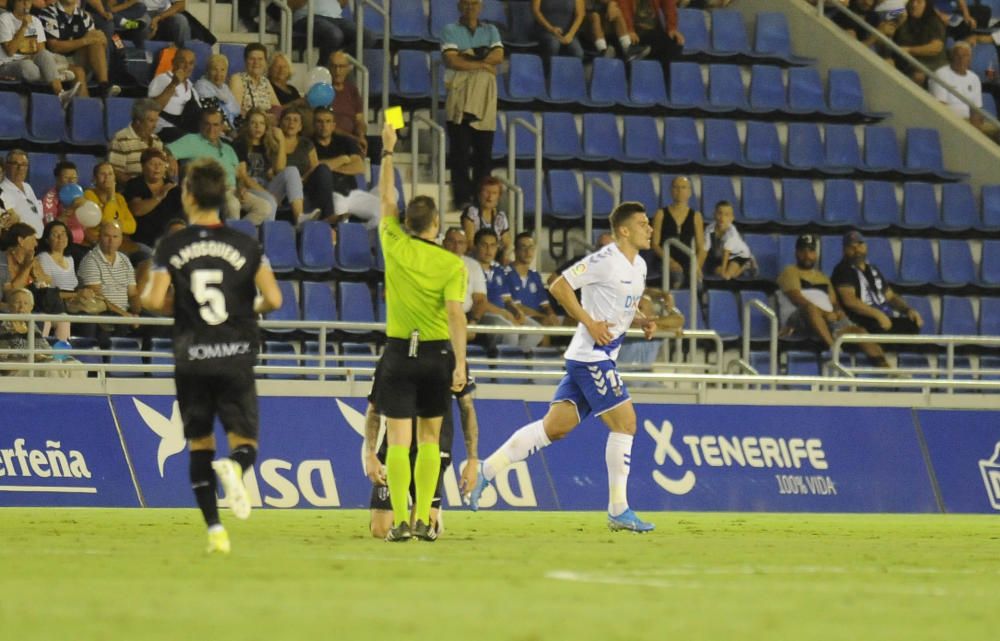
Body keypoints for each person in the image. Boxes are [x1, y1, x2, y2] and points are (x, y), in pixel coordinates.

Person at [468, 201, 659, 533]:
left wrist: (640, 320)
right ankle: (618, 508)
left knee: (554, 428)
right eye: (644, 224)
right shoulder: (604, 260)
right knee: (626, 424)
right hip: (592, 357)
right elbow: (558, 285)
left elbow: (620, 305)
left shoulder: (639, 266)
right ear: (624, 230)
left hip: (595, 356)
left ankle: (488, 468)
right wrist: (588, 322)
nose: (650, 229)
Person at [141, 156, 282, 555]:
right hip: (236, 355)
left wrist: (184, 308)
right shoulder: (247, 245)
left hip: (191, 358)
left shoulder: (171, 245)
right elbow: (273, 298)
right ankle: (236, 468)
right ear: (223, 197)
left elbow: (151, 299)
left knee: (199, 445)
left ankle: (215, 531)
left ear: (187, 196)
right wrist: (241, 308)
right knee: (245, 442)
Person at [375, 121, 468, 542]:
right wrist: (461, 362)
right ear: (435, 225)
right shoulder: (452, 265)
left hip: (397, 353)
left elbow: (384, 200)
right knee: (430, 438)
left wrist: (388, 151)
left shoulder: (394, 242)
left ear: (407, 222)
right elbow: (455, 316)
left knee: (397, 440)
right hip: (435, 356)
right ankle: (425, 520)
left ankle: (398, 521)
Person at [365, 366, 479, 539]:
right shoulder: (394, 354)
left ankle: (432, 514)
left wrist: (472, 460)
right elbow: (374, 408)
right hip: (395, 447)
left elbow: (467, 407)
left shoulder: (448, 355)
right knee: (380, 530)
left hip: (433, 448)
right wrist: (370, 453)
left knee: (419, 530)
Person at [776, 233, 887, 366]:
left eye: (811, 251)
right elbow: (797, 299)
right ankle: (834, 349)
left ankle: (887, 370)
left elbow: (834, 302)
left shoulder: (822, 277)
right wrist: (825, 312)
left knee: (859, 331)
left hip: (825, 320)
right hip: (798, 321)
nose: (807, 255)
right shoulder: (790, 271)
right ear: (796, 253)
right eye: (803, 251)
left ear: (816, 254)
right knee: (810, 308)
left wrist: (838, 312)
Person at [441, 0, 504, 209]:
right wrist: (483, 64)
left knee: (483, 156)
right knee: (459, 155)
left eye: (475, 3)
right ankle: (462, 199)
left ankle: (481, 200)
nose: (471, 7)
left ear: (480, 7)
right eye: (467, 4)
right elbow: (452, 60)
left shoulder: (491, 30)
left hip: (485, 103)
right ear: (460, 6)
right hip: (460, 100)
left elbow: (499, 55)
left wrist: (468, 57)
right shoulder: (450, 30)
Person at [168, 108, 272, 223]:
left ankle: (237, 235)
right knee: (233, 205)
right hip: (210, 190)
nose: (211, 129)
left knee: (264, 207)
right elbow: (165, 150)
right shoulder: (192, 140)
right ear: (200, 124)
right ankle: (230, 237)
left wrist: (241, 188)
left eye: (216, 125)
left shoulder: (228, 148)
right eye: (207, 124)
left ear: (222, 126)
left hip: (233, 190)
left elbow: (238, 176)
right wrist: (171, 158)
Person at [832, 230, 924, 335]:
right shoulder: (843, 270)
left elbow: (890, 297)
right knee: (878, 326)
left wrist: (908, 310)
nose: (857, 249)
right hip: (862, 321)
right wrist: (877, 314)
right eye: (851, 247)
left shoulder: (872, 269)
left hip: (884, 317)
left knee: (912, 324)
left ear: (866, 247)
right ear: (844, 250)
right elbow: (850, 301)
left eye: (860, 245)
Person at [473, 228, 542, 350]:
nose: (489, 250)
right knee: (510, 331)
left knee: (535, 330)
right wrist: (504, 313)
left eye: (493, 245)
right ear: (475, 246)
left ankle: (518, 363)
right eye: (484, 245)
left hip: (503, 314)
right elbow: (478, 302)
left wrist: (515, 311)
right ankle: (503, 366)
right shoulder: (470, 267)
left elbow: (507, 299)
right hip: (483, 315)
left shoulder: (499, 269)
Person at [0, 0, 79, 106]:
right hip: (7, 64)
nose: (26, 4)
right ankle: (56, 75)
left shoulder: (36, 21)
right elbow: (10, 51)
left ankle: (61, 94)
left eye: (28, 2)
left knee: (45, 55)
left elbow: (40, 51)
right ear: (13, 3)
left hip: (31, 60)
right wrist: (23, 27)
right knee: (28, 67)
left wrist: (31, 57)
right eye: (22, 1)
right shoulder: (4, 19)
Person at [37, 0, 120, 98]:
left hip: (78, 58)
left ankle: (104, 85)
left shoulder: (84, 16)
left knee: (96, 37)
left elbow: (96, 42)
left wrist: (101, 40)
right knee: (79, 71)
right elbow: (54, 47)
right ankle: (85, 108)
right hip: (56, 62)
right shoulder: (48, 12)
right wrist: (85, 41)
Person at [233, 107, 302, 225]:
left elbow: (279, 169)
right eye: (253, 123)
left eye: (261, 123)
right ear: (247, 125)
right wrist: (267, 194)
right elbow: (243, 177)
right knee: (270, 201)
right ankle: (267, 236)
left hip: (265, 185)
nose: (257, 126)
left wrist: (281, 141)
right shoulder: (240, 143)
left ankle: (299, 219)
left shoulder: (267, 144)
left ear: (266, 127)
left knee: (292, 170)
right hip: (249, 189)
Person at [930, 41, 1000, 141]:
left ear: (970, 59)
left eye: (965, 56)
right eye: (958, 56)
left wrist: (976, 129)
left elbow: (976, 110)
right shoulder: (941, 74)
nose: (961, 59)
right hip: (953, 121)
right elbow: (940, 109)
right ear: (952, 57)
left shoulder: (974, 78)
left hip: (971, 121)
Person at [278, 106, 336, 224]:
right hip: (285, 188)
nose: (291, 123)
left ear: (300, 126)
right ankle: (324, 222)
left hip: (305, 184)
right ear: (281, 123)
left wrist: (303, 179)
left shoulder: (306, 143)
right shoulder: (274, 141)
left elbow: (315, 168)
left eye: (295, 120)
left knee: (323, 169)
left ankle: (329, 217)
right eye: (287, 119)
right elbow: (276, 170)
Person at [78, 221, 141, 326]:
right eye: (107, 236)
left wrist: (137, 313)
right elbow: (98, 297)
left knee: (157, 323)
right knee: (122, 326)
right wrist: (125, 315)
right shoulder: (91, 260)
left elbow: (133, 293)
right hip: (104, 312)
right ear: (99, 237)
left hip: (124, 312)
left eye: (115, 236)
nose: (111, 241)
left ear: (121, 239)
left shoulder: (125, 259)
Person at [651, 175, 705, 288]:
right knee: (677, 277)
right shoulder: (660, 214)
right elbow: (655, 244)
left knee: (698, 283)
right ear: (671, 191)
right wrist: (670, 261)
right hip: (665, 259)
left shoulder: (696, 216)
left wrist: (697, 265)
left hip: (687, 259)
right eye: (676, 187)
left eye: (683, 187)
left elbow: (701, 247)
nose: (679, 191)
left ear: (689, 192)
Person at [123, 147, 181, 248]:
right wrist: (159, 196)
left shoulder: (172, 188)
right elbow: (137, 210)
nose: (157, 168)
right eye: (152, 164)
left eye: (160, 164)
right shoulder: (135, 184)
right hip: (142, 241)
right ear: (143, 166)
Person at [618, 0, 684, 86]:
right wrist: (629, 29)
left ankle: (665, 87)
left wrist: (672, 28)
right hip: (634, 33)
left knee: (675, 44)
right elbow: (624, 7)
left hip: (653, 32)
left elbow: (669, 4)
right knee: (666, 44)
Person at [508, 232, 561, 329]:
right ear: (515, 251)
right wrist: (543, 317)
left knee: (572, 321)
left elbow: (545, 305)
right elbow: (518, 307)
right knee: (544, 323)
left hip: (540, 317)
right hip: (520, 317)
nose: (528, 252)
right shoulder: (507, 274)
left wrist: (552, 315)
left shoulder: (535, 275)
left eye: (531, 248)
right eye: (523, 247)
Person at [888, 0, 946, 86]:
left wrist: (909, 50)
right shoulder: (902, 12)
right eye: (912, 1)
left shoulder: (934, 21)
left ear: (926, 4)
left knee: (918, 75)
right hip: (902, 60)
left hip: (928, 64)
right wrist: (899, 20)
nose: (914, 5)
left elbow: (936, 48)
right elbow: (887, 15)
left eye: (919, 2)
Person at [312, 105, 365, 198]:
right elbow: (312, 168)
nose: (324, 125)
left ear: (333, 126)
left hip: (353, 193)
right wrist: (343, 160)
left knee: (380, 207)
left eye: (328, 121)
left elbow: (359, 167)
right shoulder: (308, 144)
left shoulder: (345, 141)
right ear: (313, 125)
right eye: (319, 122)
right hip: (328, 196)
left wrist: (326, 169)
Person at [148, 46, 200, 141]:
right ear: (173, 62)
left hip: (186, 131)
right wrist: (173, 84)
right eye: (183, 61)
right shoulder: (162, 79)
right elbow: (151, 109)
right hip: (162, 129)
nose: (187, 66)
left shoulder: (192, 89)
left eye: (191, 63)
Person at [109, 98, 165, 184]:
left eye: (156, 121)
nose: (155, 126)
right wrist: (139, 186)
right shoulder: (121, 139)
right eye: (151, 121)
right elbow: (115, 172)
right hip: (133, 191)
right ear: (138, 121)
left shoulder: (156, 140)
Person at [460, 176, 510, 265]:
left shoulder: (501, 217)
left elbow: (507, 243)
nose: (490, 197)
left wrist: (504, 254)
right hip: (474, 258)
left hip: (495, 259)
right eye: (486, 192)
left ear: (498, 197)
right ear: (479, 194)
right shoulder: (472, 212)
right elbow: (470, 242)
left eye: (494, 193)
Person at [443, 226, 488, 324]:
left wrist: (474, 321)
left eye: (460, 242)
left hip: (466, 316)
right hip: (439, 317)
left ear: (466, 246)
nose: (456, 247)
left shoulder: (473, 265)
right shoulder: (434, 263)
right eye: (452, 241)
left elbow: (480, 300)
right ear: (444, 243)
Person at [581, 0, 651, 60]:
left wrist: (611, 3)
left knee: (616, 11)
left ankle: (627, 48)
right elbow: (583, 11)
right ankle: (602, 50)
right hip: (585, 27)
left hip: (603, 25)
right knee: (595, 16)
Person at [327, 49, 367, 155]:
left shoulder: (352, 90)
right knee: (352, 145)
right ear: (328, 68)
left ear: (348, 69)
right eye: (334, 66)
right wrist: (354, 138)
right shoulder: (323, 91)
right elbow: (325, 123)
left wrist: (361, 136)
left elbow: (359, 120)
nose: (337, 71)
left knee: (379, 144)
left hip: (352, 137)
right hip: (332, 137)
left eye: (341, 67)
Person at [703, 200, 754, 281]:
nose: (722, 217)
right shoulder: (709, 229)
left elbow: (726, 252)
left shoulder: (731, 233)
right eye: (719, 213)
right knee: (718, 272)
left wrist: (724, 271)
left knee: (728, 276)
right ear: (714, 214)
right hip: (720, 257)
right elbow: (704, 250)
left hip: (738, 255)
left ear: (731, 218)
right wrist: (698, 268)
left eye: (726, 215)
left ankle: (746, 266)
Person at [230, 42, 280, 119]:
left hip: (266, 124)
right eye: (252, 59)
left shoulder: (265, 81)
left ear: (265, 62)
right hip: (247, 124)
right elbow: (235, 111)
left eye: (260, 59)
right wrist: (262, 117)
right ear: (245, 61)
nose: (256, 63)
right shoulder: (238, 79)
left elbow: (277, 108)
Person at [0, 150, 44, 238]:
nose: (20, 168)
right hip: (22, 244)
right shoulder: (2, 190)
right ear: (7, 166)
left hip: (39, 240)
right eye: (15, 164)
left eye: (24, 164)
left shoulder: (27, 187)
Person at [194, 54, 241, 132]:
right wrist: (231, 132)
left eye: (222, 70)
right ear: (207, 71)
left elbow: (236, 112)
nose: (219, 74)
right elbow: (213, 115)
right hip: (215, 130)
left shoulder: (225, 88)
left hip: (232, 129)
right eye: (214, 69)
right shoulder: (201, 86)